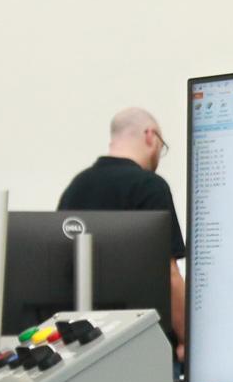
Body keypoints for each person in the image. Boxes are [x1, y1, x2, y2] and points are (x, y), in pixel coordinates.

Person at [57, 107, 187, 358]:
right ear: (151, 136)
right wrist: (185, 341)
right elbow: (168, 274)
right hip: (141, 344)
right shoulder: (149, 186)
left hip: (81, 345)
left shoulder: (76, 187)